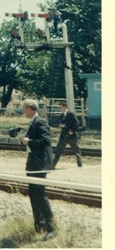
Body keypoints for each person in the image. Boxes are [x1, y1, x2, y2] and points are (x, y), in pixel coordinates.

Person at [20, 99, 56, 240]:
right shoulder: (33, 122)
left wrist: (29, 142)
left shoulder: (39, 121)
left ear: (29, 108)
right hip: (33, 164)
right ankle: (40, 225)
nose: (23, 111)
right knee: (34, 193)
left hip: (39, 165)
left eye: (24, 108)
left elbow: (46, 141)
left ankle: (51, 228)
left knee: (40, 194)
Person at [53, 101, 83, 168]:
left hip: (71, 136)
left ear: (65, 107)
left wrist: (72, 130)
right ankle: (53, 165)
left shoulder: (70, 114)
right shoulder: (62, 115)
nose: (60, 109)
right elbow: (63, 123)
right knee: (58, 150)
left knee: (76, 150)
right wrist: (61, 125)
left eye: (61, 107)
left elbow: (77, 123)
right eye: (59, 107)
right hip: (63, 135)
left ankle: (80, 165)